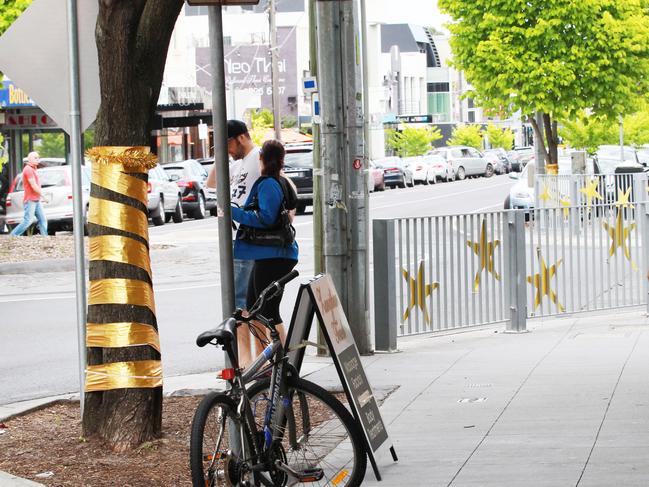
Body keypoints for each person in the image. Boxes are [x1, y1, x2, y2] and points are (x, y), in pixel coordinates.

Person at [231, 139, 299, 367]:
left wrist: (235, 213)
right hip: (273, 255)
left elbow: (266, 219)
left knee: (263, 309)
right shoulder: (281, 181)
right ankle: (272, 360)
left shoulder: (269, 183)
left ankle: (278, 361)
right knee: (256, 308)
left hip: (272, 255)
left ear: (262, 158)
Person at [206, 120, 261, 364]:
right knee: (243, 305)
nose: (226, 150)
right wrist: (220, 152)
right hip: (241, 238)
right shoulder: (238, 164)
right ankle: (247, 360)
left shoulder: (258, 158)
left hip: (251, 238)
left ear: (239, 138)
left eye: (226, 143)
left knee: (245, 305)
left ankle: (253, 361)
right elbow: (211, 184)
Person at [10, 152, 47, 236]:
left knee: (43, 219)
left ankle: (45, 238)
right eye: (35, 158)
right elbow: (33, 185)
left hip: (36, 199)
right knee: (28, 220)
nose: (38, 160)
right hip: (30, 200)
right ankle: (13, 235)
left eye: (38, 158)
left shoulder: (33, 169)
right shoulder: (28, 169)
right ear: (29, 159)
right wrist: (43, 196)